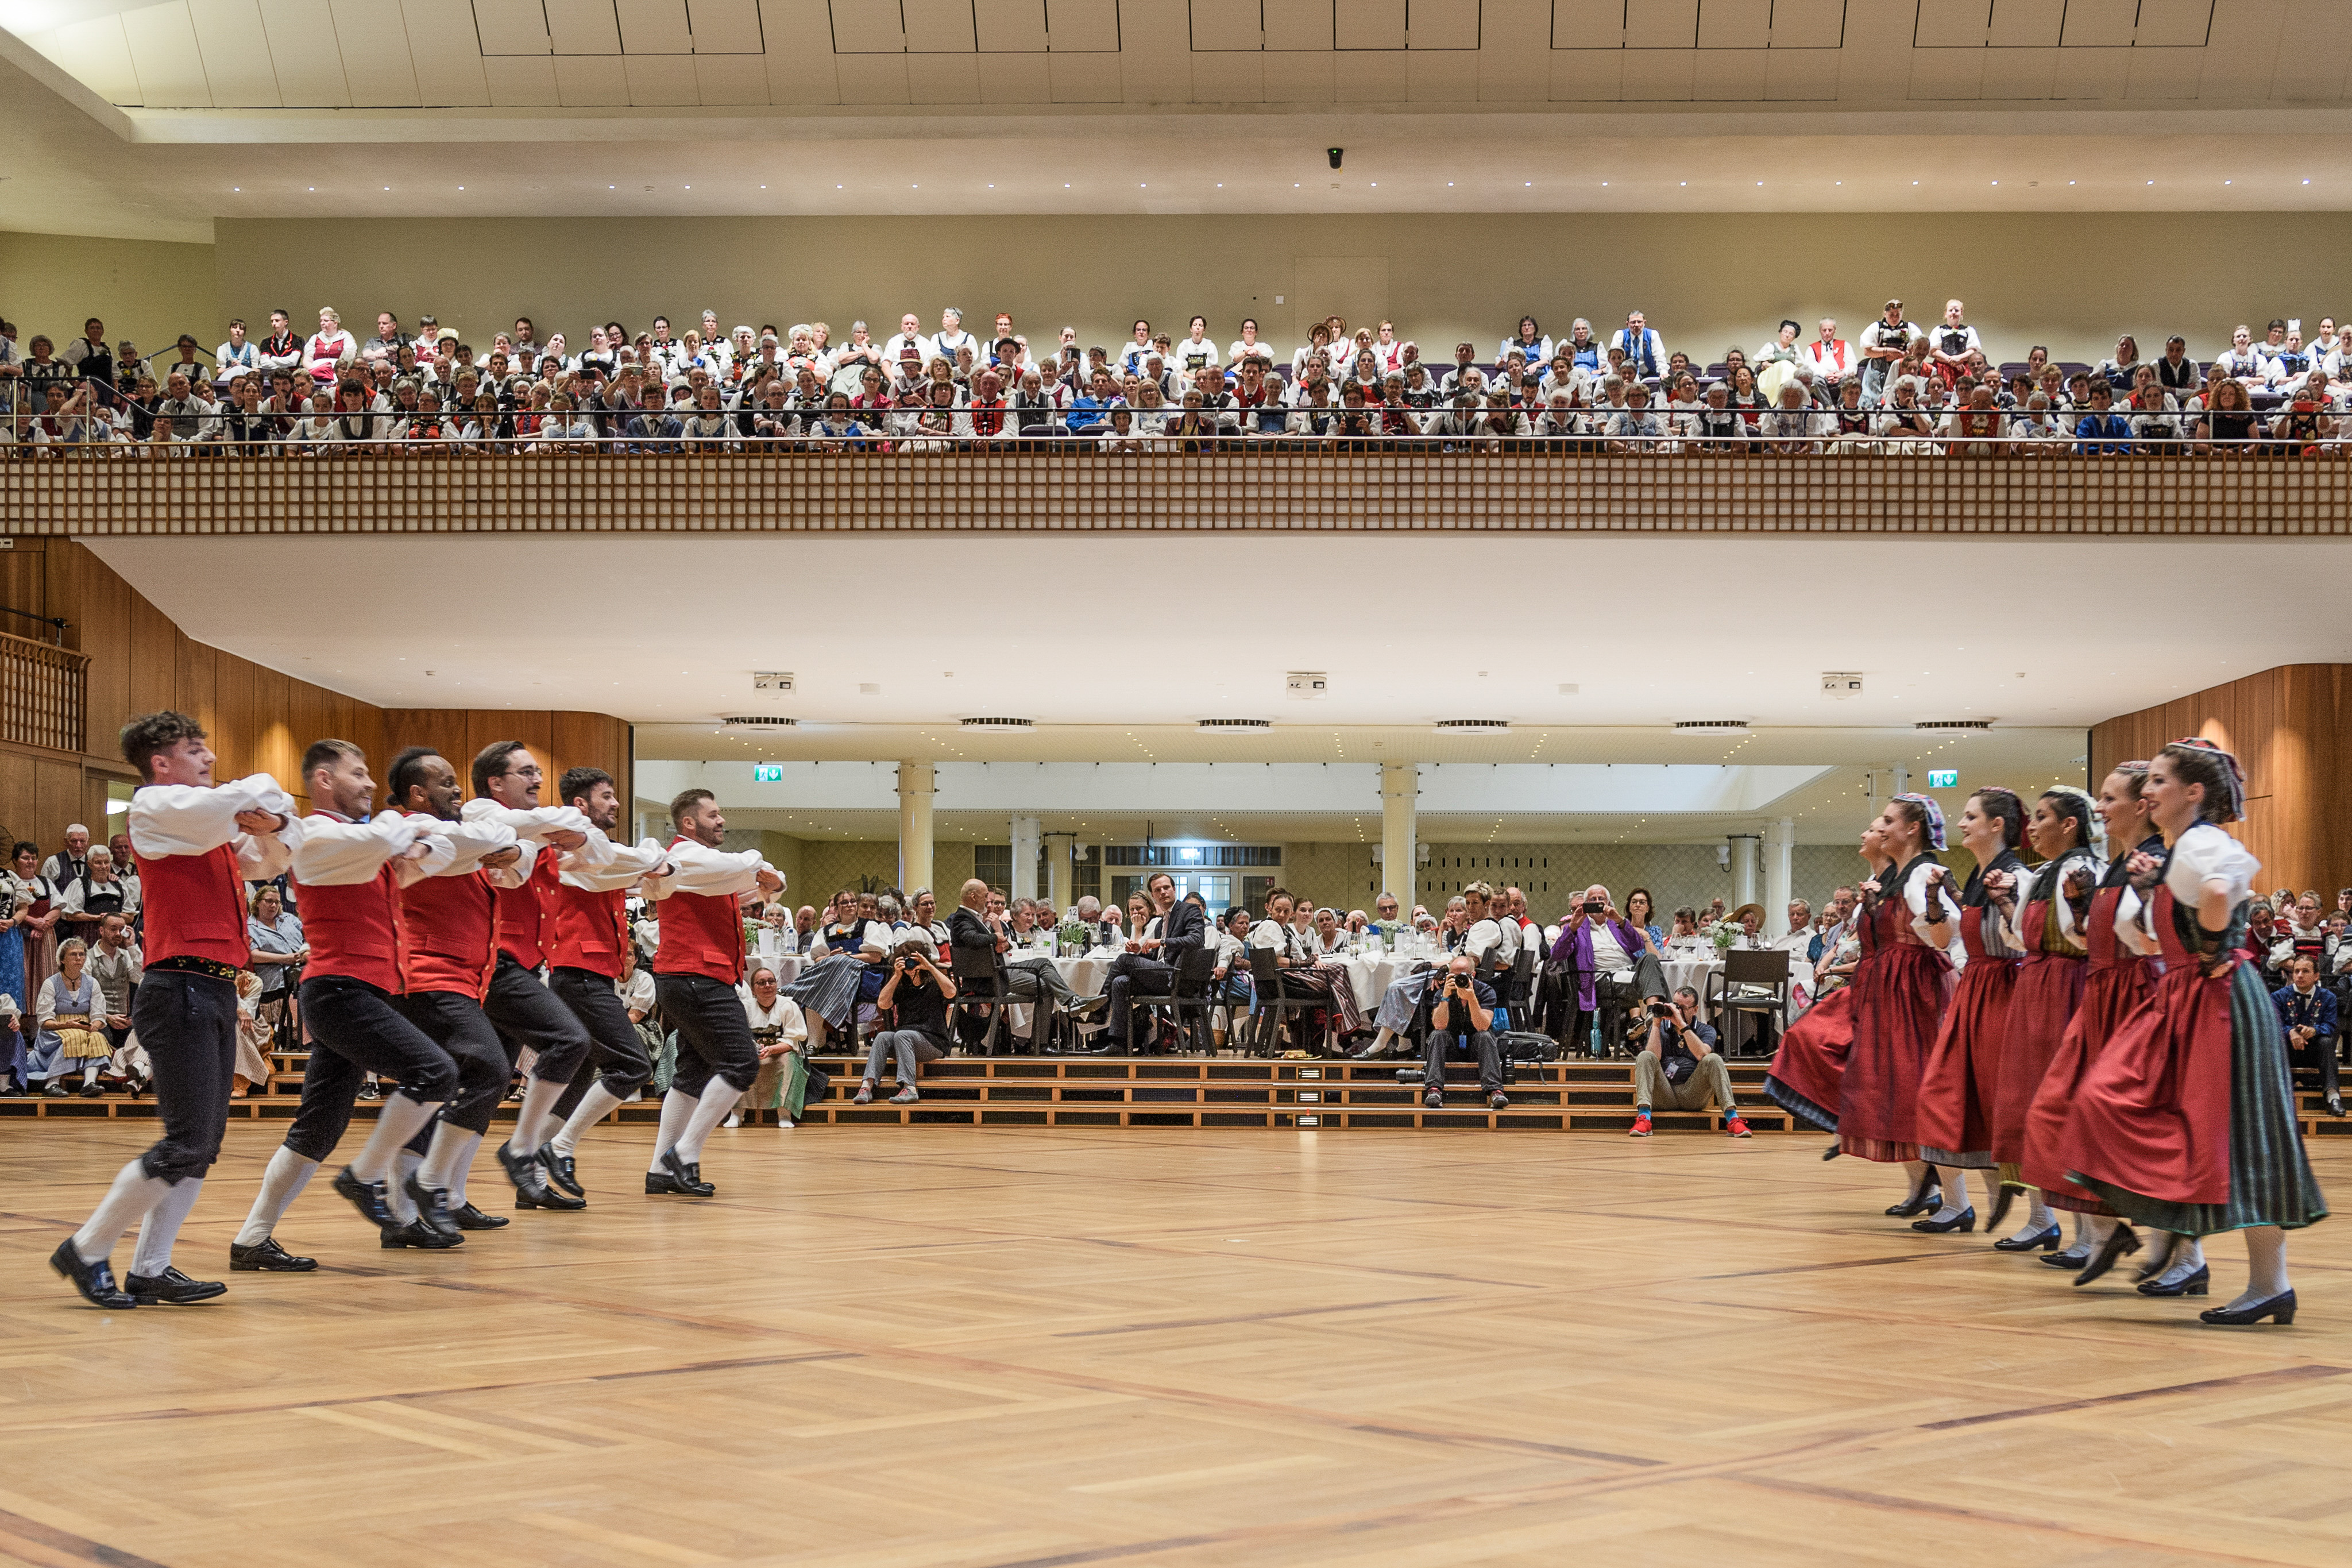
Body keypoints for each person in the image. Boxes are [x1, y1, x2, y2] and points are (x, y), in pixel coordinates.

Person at [2050, 739, 2327, 1325]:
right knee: (2128, 1104)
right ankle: (2196, 1258)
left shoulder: (2203, 841)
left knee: (2246, 1133)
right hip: (2190, 994)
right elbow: (2162, 931)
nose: (2146, 792)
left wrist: (2207, 945)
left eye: (2156, 782)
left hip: (2216, 995)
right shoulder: (2183, 847)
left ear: (2193, 793)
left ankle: (2262, 1282)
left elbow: (2223, 894)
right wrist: (2163, 896)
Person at [49, 710, 299, 1310]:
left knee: (202, 1142)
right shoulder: (155, 809)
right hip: (179, 987)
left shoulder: (204, 825)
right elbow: (260, 795)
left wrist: (269, 820)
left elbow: (273, 858)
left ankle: (151, 1268)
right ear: (162, 763)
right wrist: (263, 808)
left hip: (210, 989)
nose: (209, 758)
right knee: (188, 1139)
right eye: (196, 750)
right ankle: (86, 1249)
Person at [231, 739, 468, 1265]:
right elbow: (396, 835)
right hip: (339, 989)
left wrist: (423, 844)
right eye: (357, 774)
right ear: (323, 781)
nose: (368, 784)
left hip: (360, 990)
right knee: (435, 1073)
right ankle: (364, 1178)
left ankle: (251, 1239)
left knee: (318, 1126)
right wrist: (409, 834)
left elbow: (446, 848)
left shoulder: (367, 842)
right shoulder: (315, 834)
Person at [382, 749, 532, 1239]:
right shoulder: (412, 831)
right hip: (427, 974)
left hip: (467, 978)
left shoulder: (456, 838)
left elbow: (513, 858)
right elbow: (491, 842)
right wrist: (504, 843)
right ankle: (421, 1195)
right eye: (446, 783)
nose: (458, 791)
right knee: (483, 1070)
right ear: (417, 794)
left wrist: (509, 848)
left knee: (444, 1090)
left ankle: (416, 1209)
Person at [461, 740, 607, 1211]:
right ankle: (522, 1150)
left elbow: (599, 853)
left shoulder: (540, 826)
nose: (538, 780)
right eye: (526, 773)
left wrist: (569, 832)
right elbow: (509, 856)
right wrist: (556, 827)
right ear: (496, 783)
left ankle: (446, 1193)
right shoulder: (483, 814)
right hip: (493, 963)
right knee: (570, 1042)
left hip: (521, 963)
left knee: (490, 1082)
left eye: (538, 773)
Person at [533, 766, 671, 1192]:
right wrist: (653, 860)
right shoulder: (574, 850)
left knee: (576, 1077)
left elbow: (645, 877)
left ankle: (533, 1176)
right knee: (631, 1064)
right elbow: (640, 868)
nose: (615, 804)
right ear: (581, 804)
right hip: (577, 969)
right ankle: (559, 1148)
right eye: (607, 797)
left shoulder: (604, 853)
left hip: (591, 971)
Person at [644, 789, 785, 1195]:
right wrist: (760, 868)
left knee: (693, 1073)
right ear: (689, 823)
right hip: (695, 975)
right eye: (713, 815)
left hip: (696, 976)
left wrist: (768, 881)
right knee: (741, 1064)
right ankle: (684, 1152)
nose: (721, 820)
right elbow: (747, 866)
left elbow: (755, 884)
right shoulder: (686, 857)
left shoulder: (706, 870)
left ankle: (660, 1169)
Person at [1982, 788, 2103, 1252]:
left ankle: (2089, 1234)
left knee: (2063, 1107)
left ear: (2069, 824)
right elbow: (2021, 939)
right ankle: (2042, 1219)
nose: (2030, 826)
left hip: (2068, 989)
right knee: (2026, 1106)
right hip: (2036, 988)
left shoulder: (2083, 869)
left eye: (2041, 817)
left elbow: (2087, 938)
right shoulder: (2044, 872)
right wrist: (2006, 904)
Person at [1913, 789, 2030, 1234]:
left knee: (2003, 1106)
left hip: (2006, 992)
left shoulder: (2015, 875)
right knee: (1950, 1099)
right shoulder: (1982, 875)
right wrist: (1935, 896)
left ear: (1996, 825)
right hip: (1976, 992)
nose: (1960, 823)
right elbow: (1948, 938)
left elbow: (2022, 937)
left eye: (1970, 816)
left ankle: (2040, 1219)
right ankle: (1959, 1204)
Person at [1847, 795, 1962, 1218]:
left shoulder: (1921, 874)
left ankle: (1956, 1201)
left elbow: (1943, 936)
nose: (1881, 830)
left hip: (1916, 991)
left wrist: (1931, 903)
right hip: (1894, 989)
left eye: (1889, 821)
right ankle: (1931, 1192)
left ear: (1912, 829)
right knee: (1900, 1092)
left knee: (1922, 1092)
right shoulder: (1901, 875)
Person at [1766, 819, 1891, 1137]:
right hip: (1861, 983)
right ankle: (1839, 1114)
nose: (1863, 833)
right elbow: (1837, 947)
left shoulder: (1907, 881)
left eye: (1879, 827)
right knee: (1803, 1036)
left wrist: (1833, 970)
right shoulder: (1871, 890)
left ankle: (1852, 1115)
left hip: (1883, 984)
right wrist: (1826, 964)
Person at [1550, 884, 1667, 1055]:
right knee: (1659, 983)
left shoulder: (1616, 924)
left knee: (1650, 958)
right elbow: (1558, 955)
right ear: (1585, 904)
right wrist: (1573, 927)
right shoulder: (1576, 927)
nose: (1597, 903)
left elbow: (1636, 944)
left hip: (1629, 973)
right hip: (1603, 979)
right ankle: (1659, 1026)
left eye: (1601, 899)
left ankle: (1650, 1013)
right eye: (1593, 900)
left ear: (1608, 902)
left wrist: (1620, 921)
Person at [1631, 986, 1752, 1138]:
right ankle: (1644, 1118)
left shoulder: (1706, 1030)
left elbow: (1702, 1054)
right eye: (1675, 1005)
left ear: (1695, 1010)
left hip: (1692, 1094)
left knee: (1713, 1059)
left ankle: (1733, 1119)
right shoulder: (1660, 1027)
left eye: (1682, 1008)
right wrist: (1656, 1024)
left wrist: (1682, 1025)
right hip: (1664, 1092)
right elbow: (1653, 1055)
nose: (1677, 1010)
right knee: (1644, 1056)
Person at [1103, 871, 1206, 1049]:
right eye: (1158, 890)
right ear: (1153, 896)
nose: (1163, 892)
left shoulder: (1189, 910)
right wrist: (1139, 952)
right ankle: (1119, 1045)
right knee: (1120, 982)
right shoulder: (1162, 922)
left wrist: (1162, 942)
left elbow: (1197, 940)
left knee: (1124, 960)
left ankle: (1101, 1006)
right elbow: (1156, 958)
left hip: (1179, 978)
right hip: (1163, 976)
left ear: (1174, 889)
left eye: (1167, 888)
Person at [855, 938, 957, 1104]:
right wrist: (896, 976)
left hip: (933, 1043)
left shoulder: (933, 981)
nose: (910, 965)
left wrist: (930, 967)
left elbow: (952, 993)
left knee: (902, 1035)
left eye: (913, 960)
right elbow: (883, 1003)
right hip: (904, 1041)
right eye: (905, 960)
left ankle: (910, 1088)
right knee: (883, 1037)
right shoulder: (901, 983)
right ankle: (867, 1087)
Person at [1419, 954, 1504, 1111]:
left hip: (1476, 1049)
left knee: (1485, 1036)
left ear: (1473, 975)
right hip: (1451, 1047)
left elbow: (1483, 1026)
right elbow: (1438, 1025)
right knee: (1437, 1035)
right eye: (1454, 976)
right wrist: (1445, 998)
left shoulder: (1485, 991)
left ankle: (1495, 1091)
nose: (1459, 980)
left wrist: (1472, 999)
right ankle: (1434, 1090)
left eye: (1463, 976)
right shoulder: (1442, 992)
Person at [736, 963, 812, 1127]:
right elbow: (740, 1037)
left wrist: (771, 1050)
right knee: (739, 1062)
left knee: (788, 1061)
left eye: (771, 981)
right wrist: (754, 1051)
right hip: (753, 1052)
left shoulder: (788, 1006)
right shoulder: (745, 1007)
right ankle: (737, 1113)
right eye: (761, 983)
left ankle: (784, 1114)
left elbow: (793, 1041)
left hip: (782, 1052)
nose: (768, 986)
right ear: (754, 989)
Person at [2275, 957, 2342, 1120]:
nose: (2299, 975)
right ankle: (2273, 1098)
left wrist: (2313, 1030)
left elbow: (2330, 1026)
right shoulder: (2278, 996)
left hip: (2315, 1053)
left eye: (2305, 971)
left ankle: (2333, 1096)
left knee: (2326, 1041)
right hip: (2287, 1053)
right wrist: (2290, 1031)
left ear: (2316, 976)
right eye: (2296, 971)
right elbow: (2272, 1025)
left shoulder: (2329, 997)